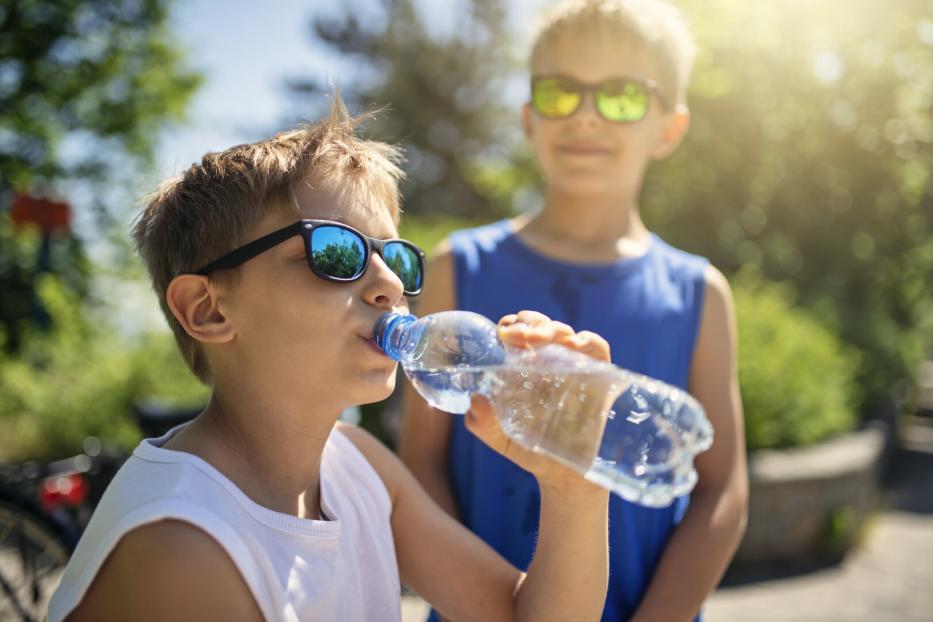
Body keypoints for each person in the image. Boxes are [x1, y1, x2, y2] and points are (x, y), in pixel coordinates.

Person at [47, 96, 614, 622]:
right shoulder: (184, 546)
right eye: (336, 251)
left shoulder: (358, 466)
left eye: (397, 257)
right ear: (208, 310)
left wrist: (573, 486)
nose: (391, 284)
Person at [399, 1, 748, 620]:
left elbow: (723, 489)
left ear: (668, 127)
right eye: (561, 92)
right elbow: (421, 462)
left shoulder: (700, 293)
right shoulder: (459, 267)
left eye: (621, 96)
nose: (586, 115)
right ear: (530, 119)